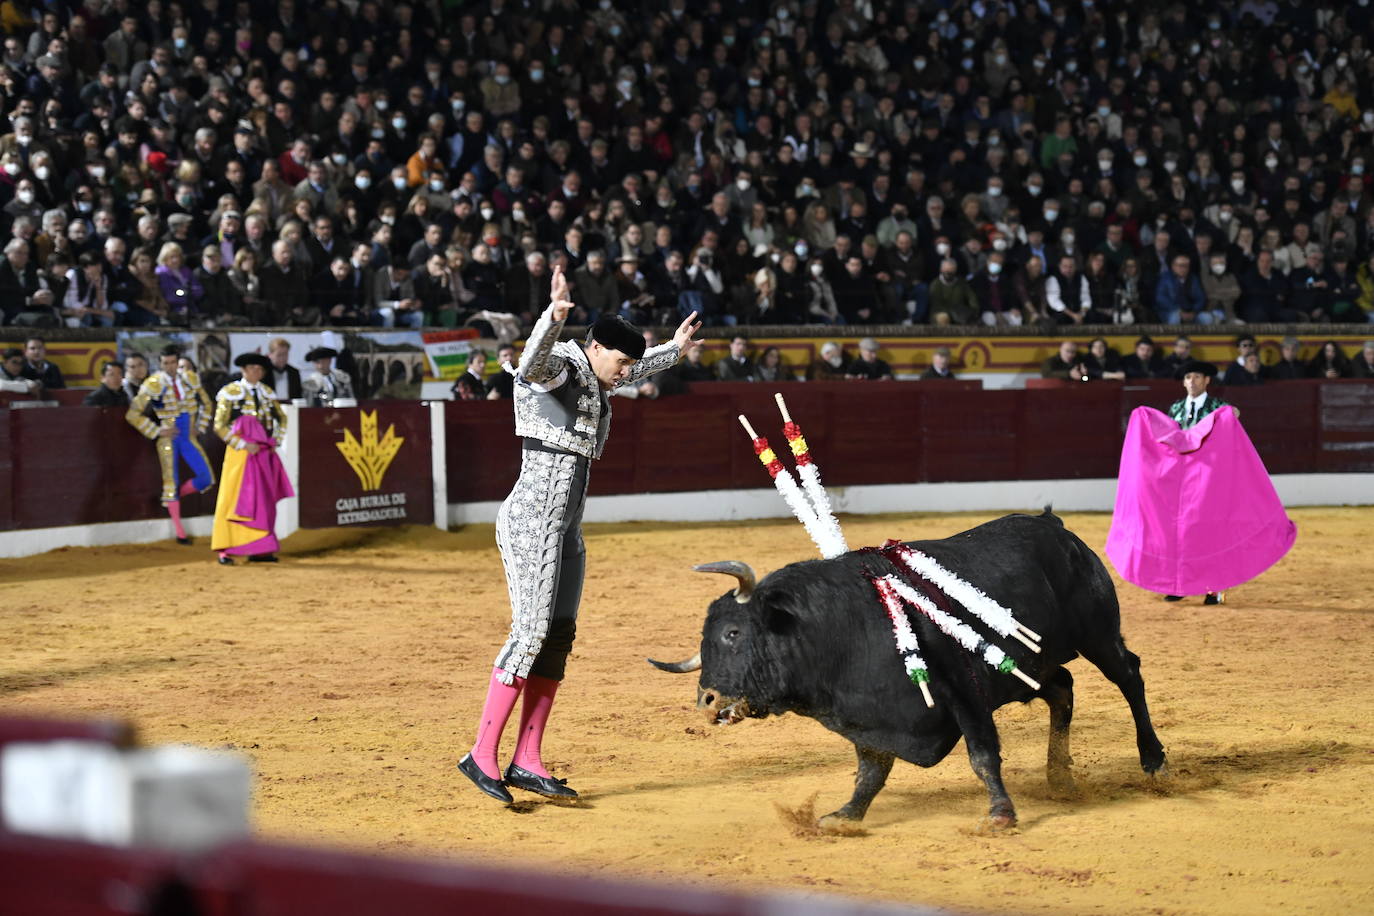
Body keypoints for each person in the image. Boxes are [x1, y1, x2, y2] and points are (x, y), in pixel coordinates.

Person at [457, 267, 698, 804]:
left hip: (565, 528)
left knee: (558, 635)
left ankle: (528, 759)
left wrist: (674, 350)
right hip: (531, 522)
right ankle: (481, 752)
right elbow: (531, 364)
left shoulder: (597, 374)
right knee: (530, 631)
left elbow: (631, 370)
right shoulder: (562, 368)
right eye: (622, 360)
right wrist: (553, 316)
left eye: (632, 363)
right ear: (594, 347)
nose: (627, 372)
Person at [1108, 358, 1295, 608]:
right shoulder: (1175, 408)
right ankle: (1177, 585)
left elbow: (1231, 424)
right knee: (1178, 532)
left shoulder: (1219, 407)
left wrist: (1232, 414)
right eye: (1187, 378)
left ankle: (1214, 588)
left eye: (1196, 377)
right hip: (1179, 484)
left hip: (1210, 480)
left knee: (1211, 531)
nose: (1191, 381)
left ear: (1207, 380)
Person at [125, 344, 215, 545]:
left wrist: (199, 427)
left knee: (206, 478)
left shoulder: (191, 378)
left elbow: (207, 404)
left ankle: (174, 498)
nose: (170, 366)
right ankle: (180, 532)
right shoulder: (153, 383)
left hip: (187, 436)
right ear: (160, 363)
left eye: (173, 362)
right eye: (165, 363)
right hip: (168, 439)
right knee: (170, 482)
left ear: (178, 361)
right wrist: (157, 431)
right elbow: (132, 414)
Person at [211, 353, 291, 565]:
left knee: (263, 501)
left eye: (260, 369)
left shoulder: (267, 392)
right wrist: (243, 444)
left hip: (262, 453)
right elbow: (219, 425)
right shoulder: (230, 392)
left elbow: (282, 418)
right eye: (252, 368)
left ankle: (261, 549)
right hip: (240, 454)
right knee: (232, 499)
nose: (256, 372)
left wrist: (275, 440)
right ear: (243, 371)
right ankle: (226, 550)